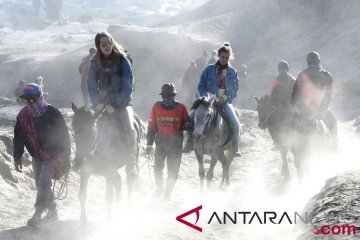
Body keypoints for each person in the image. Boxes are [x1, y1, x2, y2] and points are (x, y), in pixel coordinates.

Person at [13, 83, 71, 227]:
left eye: (32, 100)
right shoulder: (23, 116)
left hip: (54, 155)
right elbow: (19, 137)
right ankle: (52, 212)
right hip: (37, 154)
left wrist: (66, 161)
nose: (29, 104)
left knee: (44, 181)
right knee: (41, 184)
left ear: (40, 97)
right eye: (26, 100)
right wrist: (17, 157)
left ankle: (38, 214)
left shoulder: (53, 113)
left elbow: (65, 137)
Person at [86, 32, 138, 182]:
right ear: (98, 46)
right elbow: (90, 85)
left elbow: (129, 85)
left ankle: (132, 162)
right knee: (90, 127)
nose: (107, 47)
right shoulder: (94, 62)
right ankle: (93, 156)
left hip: (122, 103)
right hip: (102, 104)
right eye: (103, 45)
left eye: (109, 43)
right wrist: (97, 103)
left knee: (129, 128)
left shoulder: (123, 60)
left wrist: (116, 104)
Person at [183, 42, 241, 156]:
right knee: (189, 118)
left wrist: (225, 97)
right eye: (222, 57)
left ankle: (235, 145)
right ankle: (189, 142)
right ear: (218, 56)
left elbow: (234, 90)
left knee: (235, 122)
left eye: (226, 57)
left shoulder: (233, 72)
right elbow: (201, 86)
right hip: (207, 102)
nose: (224, 59)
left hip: (224, 103)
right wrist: (207, 97)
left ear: (229, 58)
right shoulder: (208, 69)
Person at [146, 83, 190, 200]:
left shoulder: (181, 107)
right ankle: (159, 188)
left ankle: (168, 192)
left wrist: (187, 125)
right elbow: (152, 127)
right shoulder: (156, 106)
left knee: (173, 170)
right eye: (164, 96)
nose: (167, 98)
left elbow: (187, 125)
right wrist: (149, 144)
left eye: (169, 95)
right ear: (161, 96)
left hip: (175, 146)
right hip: (160, 144)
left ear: (173, 95)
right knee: (157, 168)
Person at [291, 51, 338, 146]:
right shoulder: (327, 75)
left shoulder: (301, 75)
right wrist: (323, 109)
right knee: (333, 123)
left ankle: (289, 144)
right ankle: (335, 145)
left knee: (292, 127)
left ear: (308, 62)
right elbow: (328, 95)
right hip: (321, 110)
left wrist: (297, 109)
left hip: (304, 111)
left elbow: (295, 97)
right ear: (319, 61)